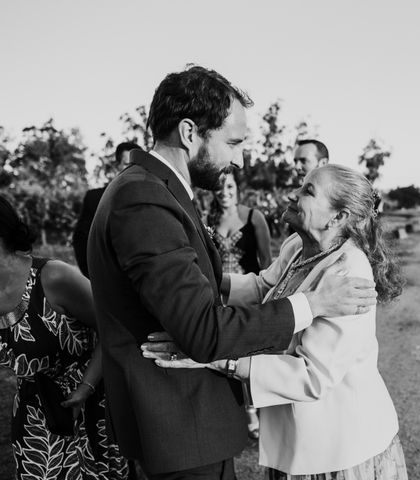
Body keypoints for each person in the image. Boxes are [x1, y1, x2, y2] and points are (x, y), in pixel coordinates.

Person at [87, 66, 377, 480]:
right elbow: (204, 330)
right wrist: (313, 304)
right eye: (234, 142)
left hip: (194, 426)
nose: (239, 160)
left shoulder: (153, 190)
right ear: (190, 133)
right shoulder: (144, 199)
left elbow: (226, 287)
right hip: (179, 424)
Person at [143, 164, 408, 479]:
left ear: (338, 217)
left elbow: (313, 376)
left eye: (308, 191)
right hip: (296, 442)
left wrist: (215, 357)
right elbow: (262, 289)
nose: (293, 195)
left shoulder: (349, 274)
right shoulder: (299, 247)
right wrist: (200, 280)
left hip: (337, 448)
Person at [0, 195, 128, 479]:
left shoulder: (53, 277)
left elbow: (115, 327)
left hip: (90, 406)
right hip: (34, 417)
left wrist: (86, 387)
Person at [206, 169, 272, 439]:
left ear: (237, 188)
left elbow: (267, 259)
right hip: (223, 293)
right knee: (230, 352)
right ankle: (245, 411)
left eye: (230, 187)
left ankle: (258, 408)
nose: (225, 193)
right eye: (220, 189)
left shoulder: (254, 217)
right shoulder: (208, 219)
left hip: (248, 290)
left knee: (252, 351)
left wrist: (269, 298)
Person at [72, 141, 141, 277]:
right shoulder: (95, 198)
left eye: (137, 165)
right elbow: (81, 240)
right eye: (127, 165)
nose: (133, 170)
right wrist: (94, 276)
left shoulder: (153, 197)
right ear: (117, 166)